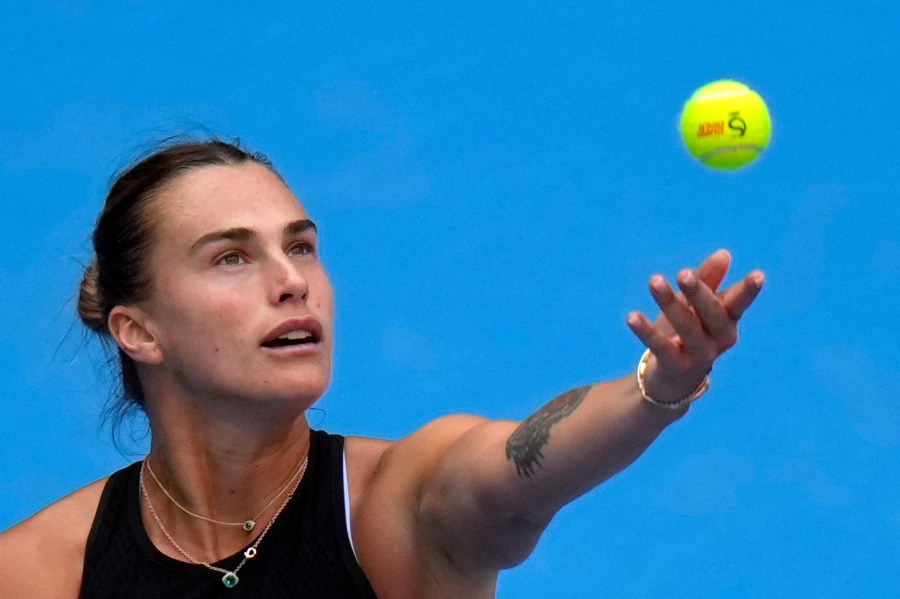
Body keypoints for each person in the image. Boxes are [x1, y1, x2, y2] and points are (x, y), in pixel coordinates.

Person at [0, 140, 764, 598]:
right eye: (232, 256)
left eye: (300, 245)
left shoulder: (398, 508)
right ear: (139, 329)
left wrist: (655, 390)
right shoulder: (37, 571)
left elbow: (518, 466)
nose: (292, 279)